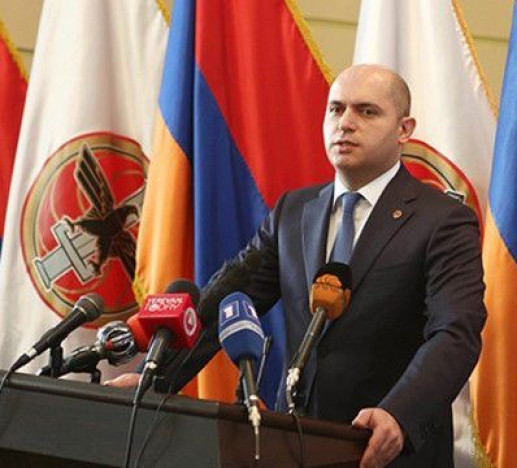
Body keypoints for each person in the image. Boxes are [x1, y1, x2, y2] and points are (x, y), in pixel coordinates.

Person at [108, 64, 486, 468]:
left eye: (367, 111)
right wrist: (155, 379)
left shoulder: (442, 220)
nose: (346, 123)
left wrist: (400, 414)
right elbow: (227, 298)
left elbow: (455, 332)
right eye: (336, 109)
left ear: (404, 129)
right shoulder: (294, 211)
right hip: (294, 446)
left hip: (385, 450)